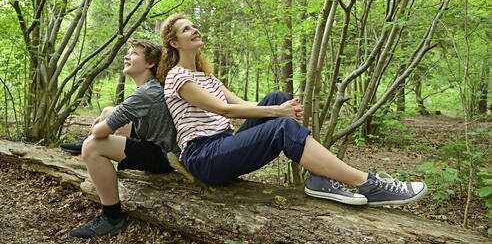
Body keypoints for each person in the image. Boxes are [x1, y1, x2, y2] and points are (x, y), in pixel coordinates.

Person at [157, 13, 428, 207]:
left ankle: (321, 178)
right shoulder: (177, 76)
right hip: (203, 156)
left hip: (223, 146)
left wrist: (282, 105)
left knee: (275, 97)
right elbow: (226, 111)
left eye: (194, 26)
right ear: (174, 43)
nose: (195, 30)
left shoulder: (208, 77)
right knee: (282, 124)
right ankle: (367, 183)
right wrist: (279, 114)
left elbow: (243, 104)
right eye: (186, 29)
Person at [67, 39, 179, 239]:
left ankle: (112, 217)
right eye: (127, 52)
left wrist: (96, 133)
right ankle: (86, 146)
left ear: (150, 64)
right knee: (109, 110)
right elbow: (116, 116)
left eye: (134, 53)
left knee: (93, 145)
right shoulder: (152, 86)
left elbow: (101, 131)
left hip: (164, 157)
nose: (126, 56)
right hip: (157, 142)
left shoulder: (146, 93)